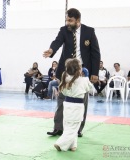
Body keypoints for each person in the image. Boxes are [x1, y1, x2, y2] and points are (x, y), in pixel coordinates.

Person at [43, 8, 100, 137]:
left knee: (82, 101)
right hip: (66, 70)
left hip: (82, 72)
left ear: (78, 20)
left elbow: (95, 53)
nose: (68, 23)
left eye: (70, 20)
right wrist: (51, 50)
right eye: (66, 20)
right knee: (61, 99)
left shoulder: (89, 32)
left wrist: (95, 72)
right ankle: (58, 128)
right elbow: (57, 41)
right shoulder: (64, 30)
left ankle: (78, 129)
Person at [54, 58, 92, 152]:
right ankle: (60, 143)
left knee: (68, 125)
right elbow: (90, 89)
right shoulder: (84, 80)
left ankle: (73, 145)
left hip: (67, 105)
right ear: (79, 69)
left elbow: (62, 91)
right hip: (77, 107)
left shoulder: (65, 79)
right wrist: (86, 76)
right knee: (74, 127)